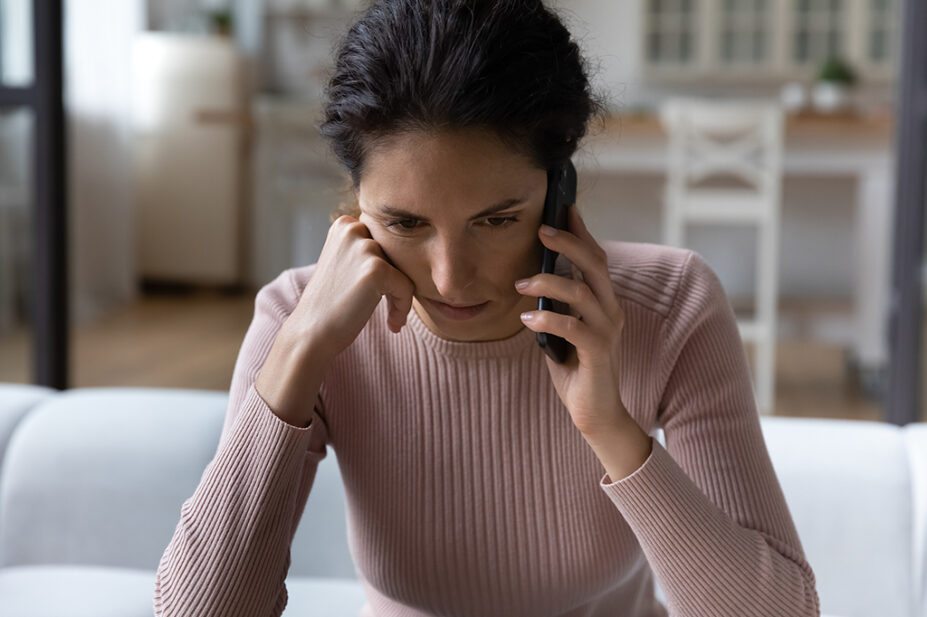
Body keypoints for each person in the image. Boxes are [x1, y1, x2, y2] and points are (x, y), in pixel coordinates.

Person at [153, 1, 821, 615]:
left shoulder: (671, 305)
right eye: (405, 223)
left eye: (496, 220)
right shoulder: (301, 320)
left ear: (559, 191)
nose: (449, 277)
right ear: (355, 205)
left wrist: (612, 430)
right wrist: (298, 354)